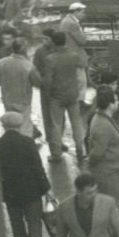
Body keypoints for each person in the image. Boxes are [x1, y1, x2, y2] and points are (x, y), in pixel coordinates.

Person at [0, 111, 51, 237]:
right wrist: (45, 188)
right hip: (31, 191)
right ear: (20, 125)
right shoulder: (28, 142)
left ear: (3, 126)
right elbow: (37, 167)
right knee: (34, 223)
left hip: (10, 193)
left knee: (16, 223)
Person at [46, 31, 87, 162]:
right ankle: (81, 150)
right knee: (76, 123)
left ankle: (56, 154)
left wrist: (49, 93)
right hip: (72, 94)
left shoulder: (50, 59)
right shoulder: (74, 56)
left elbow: (48, 80)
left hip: (57, 96)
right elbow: (78, 74)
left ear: (53, 42)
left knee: (56, 125)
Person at [0, 37, 43, 138]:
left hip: (7, 98)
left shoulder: (1, 63)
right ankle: (25, 146)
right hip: (23, 100)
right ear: (24, 49)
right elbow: (38, 82)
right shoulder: (28, 66)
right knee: (24, 125)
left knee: (10, 124)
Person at [86, 87, 119, 202]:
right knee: (109, 203)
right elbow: (97, 153)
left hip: (112, 171)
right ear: (110, 105)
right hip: (108, 174)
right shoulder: (102, 125)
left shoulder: (103, 119)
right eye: (116, 100)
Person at [32, 29, 60, 150]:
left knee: (58, 114)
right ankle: (50, 139)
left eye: (47, 39)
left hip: (58, 86)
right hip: (45, 87)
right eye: (43, 39)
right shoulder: (39, 51)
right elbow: (35, 68)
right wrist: (40, 83)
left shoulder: (58, 49)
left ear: (52, 39)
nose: (44, 41)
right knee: (47, 113)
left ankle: (58, 138)